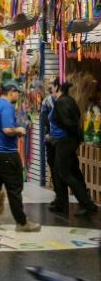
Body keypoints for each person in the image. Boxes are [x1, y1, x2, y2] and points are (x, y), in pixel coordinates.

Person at [0, 81, 41, 233]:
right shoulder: (7, 106)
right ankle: (22, 223)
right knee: (14, 189)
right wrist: (19, 130)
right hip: (5, 153)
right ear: (11, 92)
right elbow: (7, 130)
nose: (18, 95)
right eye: (17, 92)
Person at [49, 81, 98, 216]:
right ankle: (62, 203)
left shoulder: (61, 102)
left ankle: (87, 204)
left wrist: (71, 135)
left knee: (65, 173)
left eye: (52, 87)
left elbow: (67, 122)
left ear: (57, 88)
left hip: (65, 141)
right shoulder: (69, 100)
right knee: (66, 171)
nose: (50, 89)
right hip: (67, 141)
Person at [40, 79, 59, 207]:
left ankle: (59, 195)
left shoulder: (48, 101)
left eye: (52, 85)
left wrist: (49, 132)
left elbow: (44, 120)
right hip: (60, 138)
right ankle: (60, 195)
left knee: (54, 165)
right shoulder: (64, 100)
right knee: (57, 166)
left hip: (52, 138)